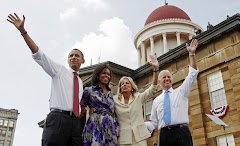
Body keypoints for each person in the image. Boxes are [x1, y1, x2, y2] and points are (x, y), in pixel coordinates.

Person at [7, 13, 84, 146]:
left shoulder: (81, 82)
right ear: (67, 59)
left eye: (77, 56)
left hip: (75, 123)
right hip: (58, 119)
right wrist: (23, 31)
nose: (73, 57)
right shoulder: (59, 70)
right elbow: (38, 54)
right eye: (71, 55)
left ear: (82, 60)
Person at [149, 39, 199, 146]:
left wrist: (191, 54)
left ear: (172, 79)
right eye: (164, 77)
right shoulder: (156, 100)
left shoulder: (181, 92)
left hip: (182, 133)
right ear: (159, 82)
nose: (167, 79)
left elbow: (193, 74)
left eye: (169, 77)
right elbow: (153, 122)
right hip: (165, 135)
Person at [113, 55, 159, 146]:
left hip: (139, 138)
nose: (124, 85)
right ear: (120, 88)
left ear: (132, 87)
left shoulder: (138, 97)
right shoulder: (115, 100)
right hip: (123, 139)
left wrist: (156, 69)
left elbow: (153, 89)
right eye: (122, 84)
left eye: (127, 83)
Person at [81, 64, 119, 146]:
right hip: (95, 125)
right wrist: (88, 109)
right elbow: (80, 109)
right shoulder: (88, 90)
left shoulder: (113, 95)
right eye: (104, 73)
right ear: (98, 75)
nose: (106, 76)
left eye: (108, 74)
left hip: (110, 127)